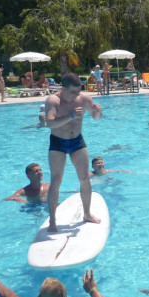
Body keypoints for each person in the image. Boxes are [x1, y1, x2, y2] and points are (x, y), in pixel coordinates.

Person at [45, 73, 103, 233]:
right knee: (56, 181)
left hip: (77, 141)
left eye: (78, 91)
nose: (77, 95)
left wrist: (98, 112)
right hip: (58, 143)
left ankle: (87, 214)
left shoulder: (84, 98)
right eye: (73, 92)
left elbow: (96, 118)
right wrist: (70, 116)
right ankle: (52, 221)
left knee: (84, 178)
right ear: (63, 88)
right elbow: (49, 123)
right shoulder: (53, 100)